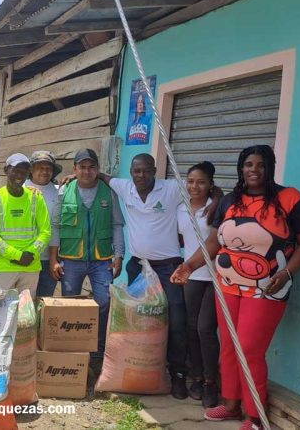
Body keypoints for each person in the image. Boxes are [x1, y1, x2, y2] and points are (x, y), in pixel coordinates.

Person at [172, 145, 300, 430]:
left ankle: (255, 416)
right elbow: (214, 243)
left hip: (266, 289)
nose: (254, 170)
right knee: (228, 345)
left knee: (250, 349)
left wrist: (288, 272)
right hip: (228, 287)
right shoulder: (230, 201)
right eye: (248, 164)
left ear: (269, 167)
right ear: (241, 168)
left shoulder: (290, 199)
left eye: (260, 164)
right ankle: (230, 404)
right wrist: (189, 266)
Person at [94, 153, 222, 399]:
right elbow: (104, 177)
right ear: (131, 172)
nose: (141, 176)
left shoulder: (172, 188)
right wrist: (74, 176)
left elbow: (204, 189)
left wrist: (217, 200)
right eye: (136, 171)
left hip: (169, 267)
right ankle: (138, 366)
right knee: (136, 319)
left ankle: (178, 375)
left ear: (155, 171)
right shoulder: (125, 187)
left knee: (176, 320)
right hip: (137, 265)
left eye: (146, 171)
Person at [49, 148, 125, 368]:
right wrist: (54, 259)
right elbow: (55, 226)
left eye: (92, 167)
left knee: (104, 302)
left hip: (102, 260)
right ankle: (72, 352)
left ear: (97, 170)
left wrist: (119, 254)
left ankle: (97, 353)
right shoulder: (64, 191)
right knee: (70, 305)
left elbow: (117, 225)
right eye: (82, 167)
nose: (87, 171)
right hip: (71, 258)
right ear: (75, 169)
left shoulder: (108, 191)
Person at [177, 161, 220, 408]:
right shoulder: (181, 209)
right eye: (191, 181)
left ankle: (211, 382)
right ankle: (197, 377)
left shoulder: (216, 209)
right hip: (191, 277)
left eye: (201, 182)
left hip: (214, 277)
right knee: (192, 328)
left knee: (205, 329)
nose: (195, 186)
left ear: (210, 184)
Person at [0, 153, 51, 298]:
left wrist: (31, 253)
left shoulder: (36, 198)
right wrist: (19, 256)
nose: (20, 175)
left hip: (31, 266)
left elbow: (45, 232)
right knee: (2, 313)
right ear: (6, 170)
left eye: (24, 172)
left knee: (25, 316)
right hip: (5, 267)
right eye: (16, 170)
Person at [24, 150, 62, 297]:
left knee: (43, 302)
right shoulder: (21, 189)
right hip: (23, 258)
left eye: (48, 168)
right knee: (23, 304)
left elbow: (56, 226)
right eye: (40, 167)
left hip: (48, 260)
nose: (44, 171)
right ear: (31, 170)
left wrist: (53, 259)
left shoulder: (59, 192)